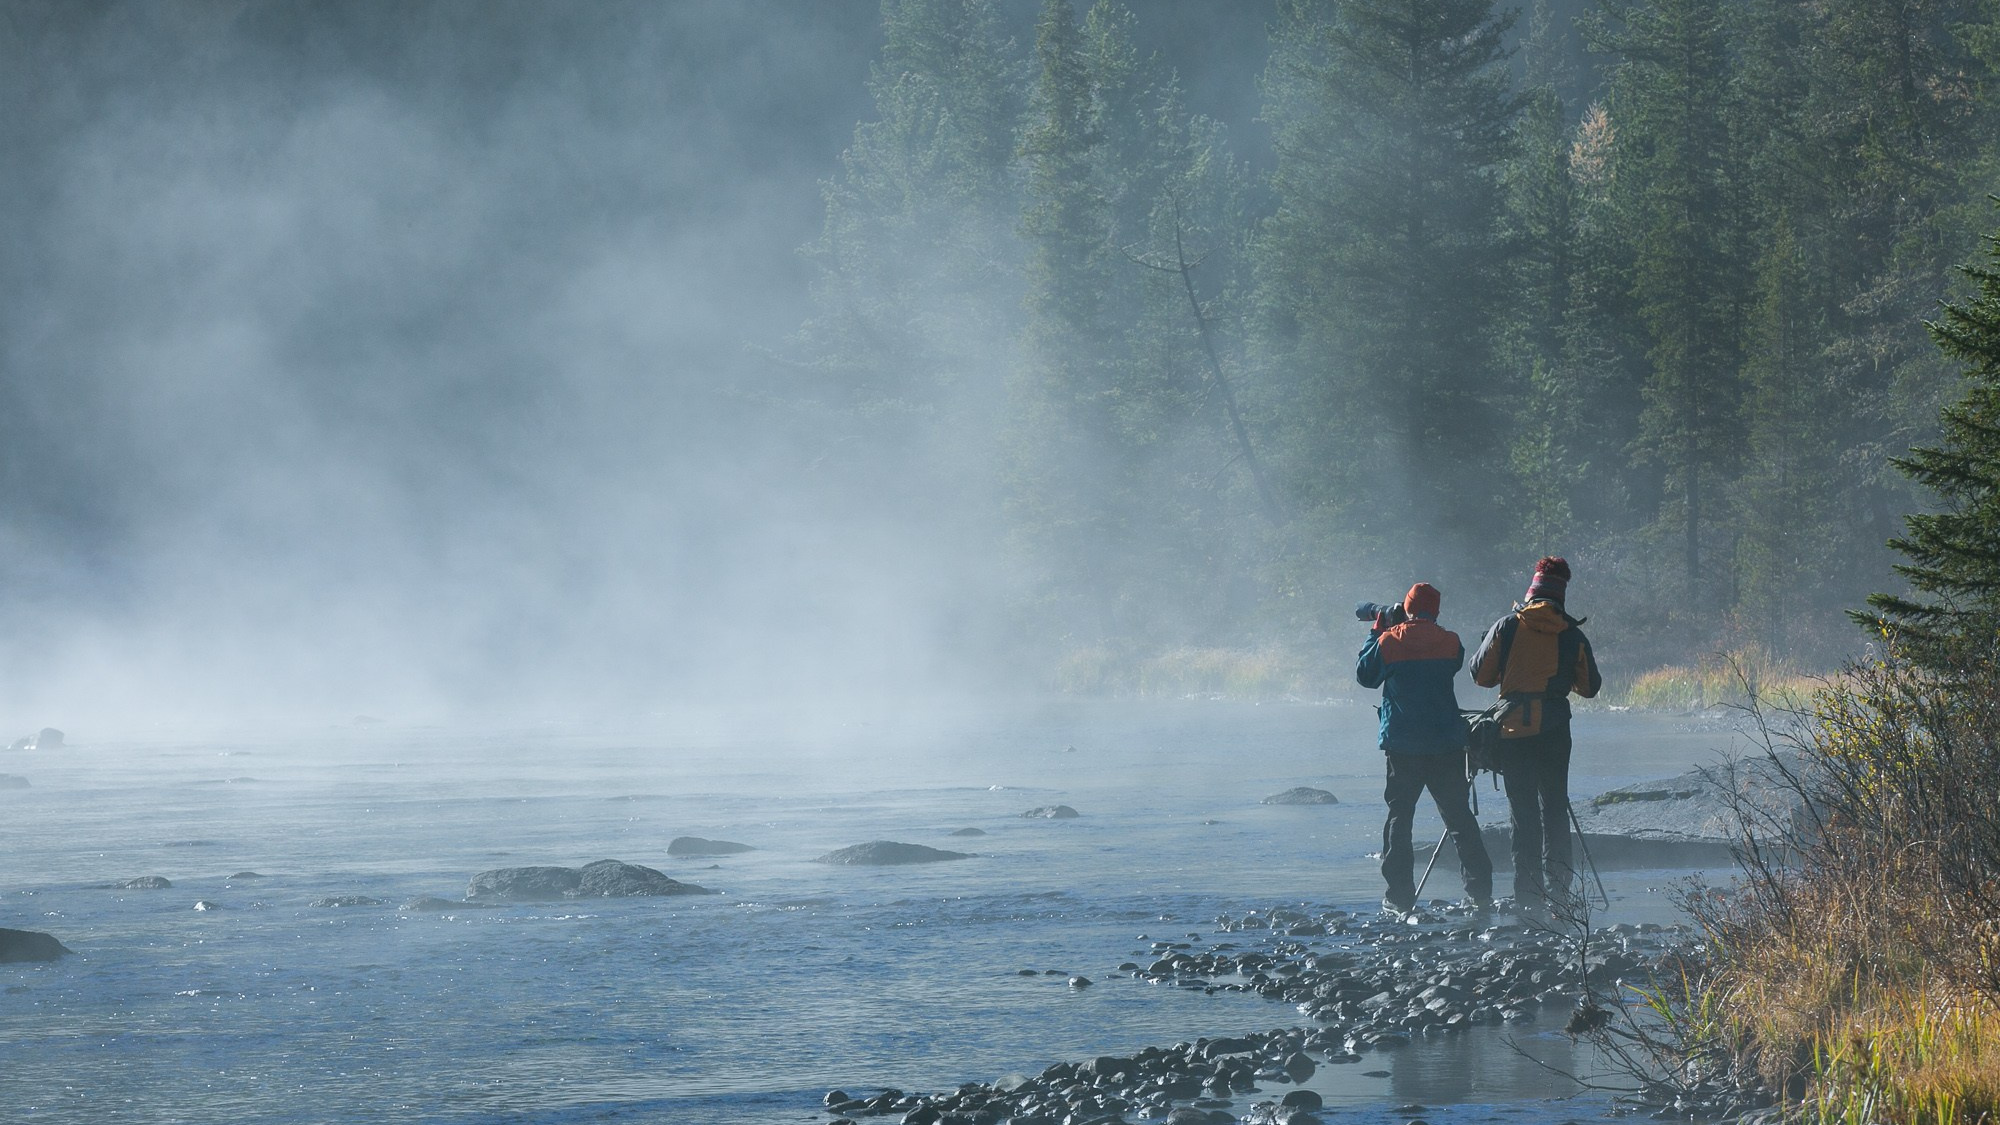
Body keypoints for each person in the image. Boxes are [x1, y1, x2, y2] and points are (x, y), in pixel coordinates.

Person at [1470, 556, 1604, 924]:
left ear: (1532, 589)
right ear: (1561, 593)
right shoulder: (1572, 634)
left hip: (1512, 732)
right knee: (1555, 812)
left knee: (1523, 815)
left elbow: (1480, 676)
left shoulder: (1506, 627)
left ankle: (1527, 898)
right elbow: (1590, 688)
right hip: (1556, 733)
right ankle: (1559, 895)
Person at [1356, 582, 1493, 916]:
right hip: (1446, 743)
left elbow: (1365, 676)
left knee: (1400, 820)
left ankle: (1399, 897)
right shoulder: (1450, 642)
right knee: (1459, 818)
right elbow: (1454, 663)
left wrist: (1377, 630)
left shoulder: (1389, 641)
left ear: (1407, 606)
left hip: (1403, 746)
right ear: (1437, 610)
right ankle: (1480, 894)